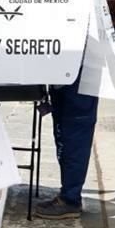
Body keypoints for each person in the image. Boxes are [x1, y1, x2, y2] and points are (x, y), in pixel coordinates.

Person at [34, 72, 99, 220]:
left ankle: (70, 199)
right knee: (63, 136)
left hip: (80, 77)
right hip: (63, 74)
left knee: (74, 138)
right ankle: (68, 195)